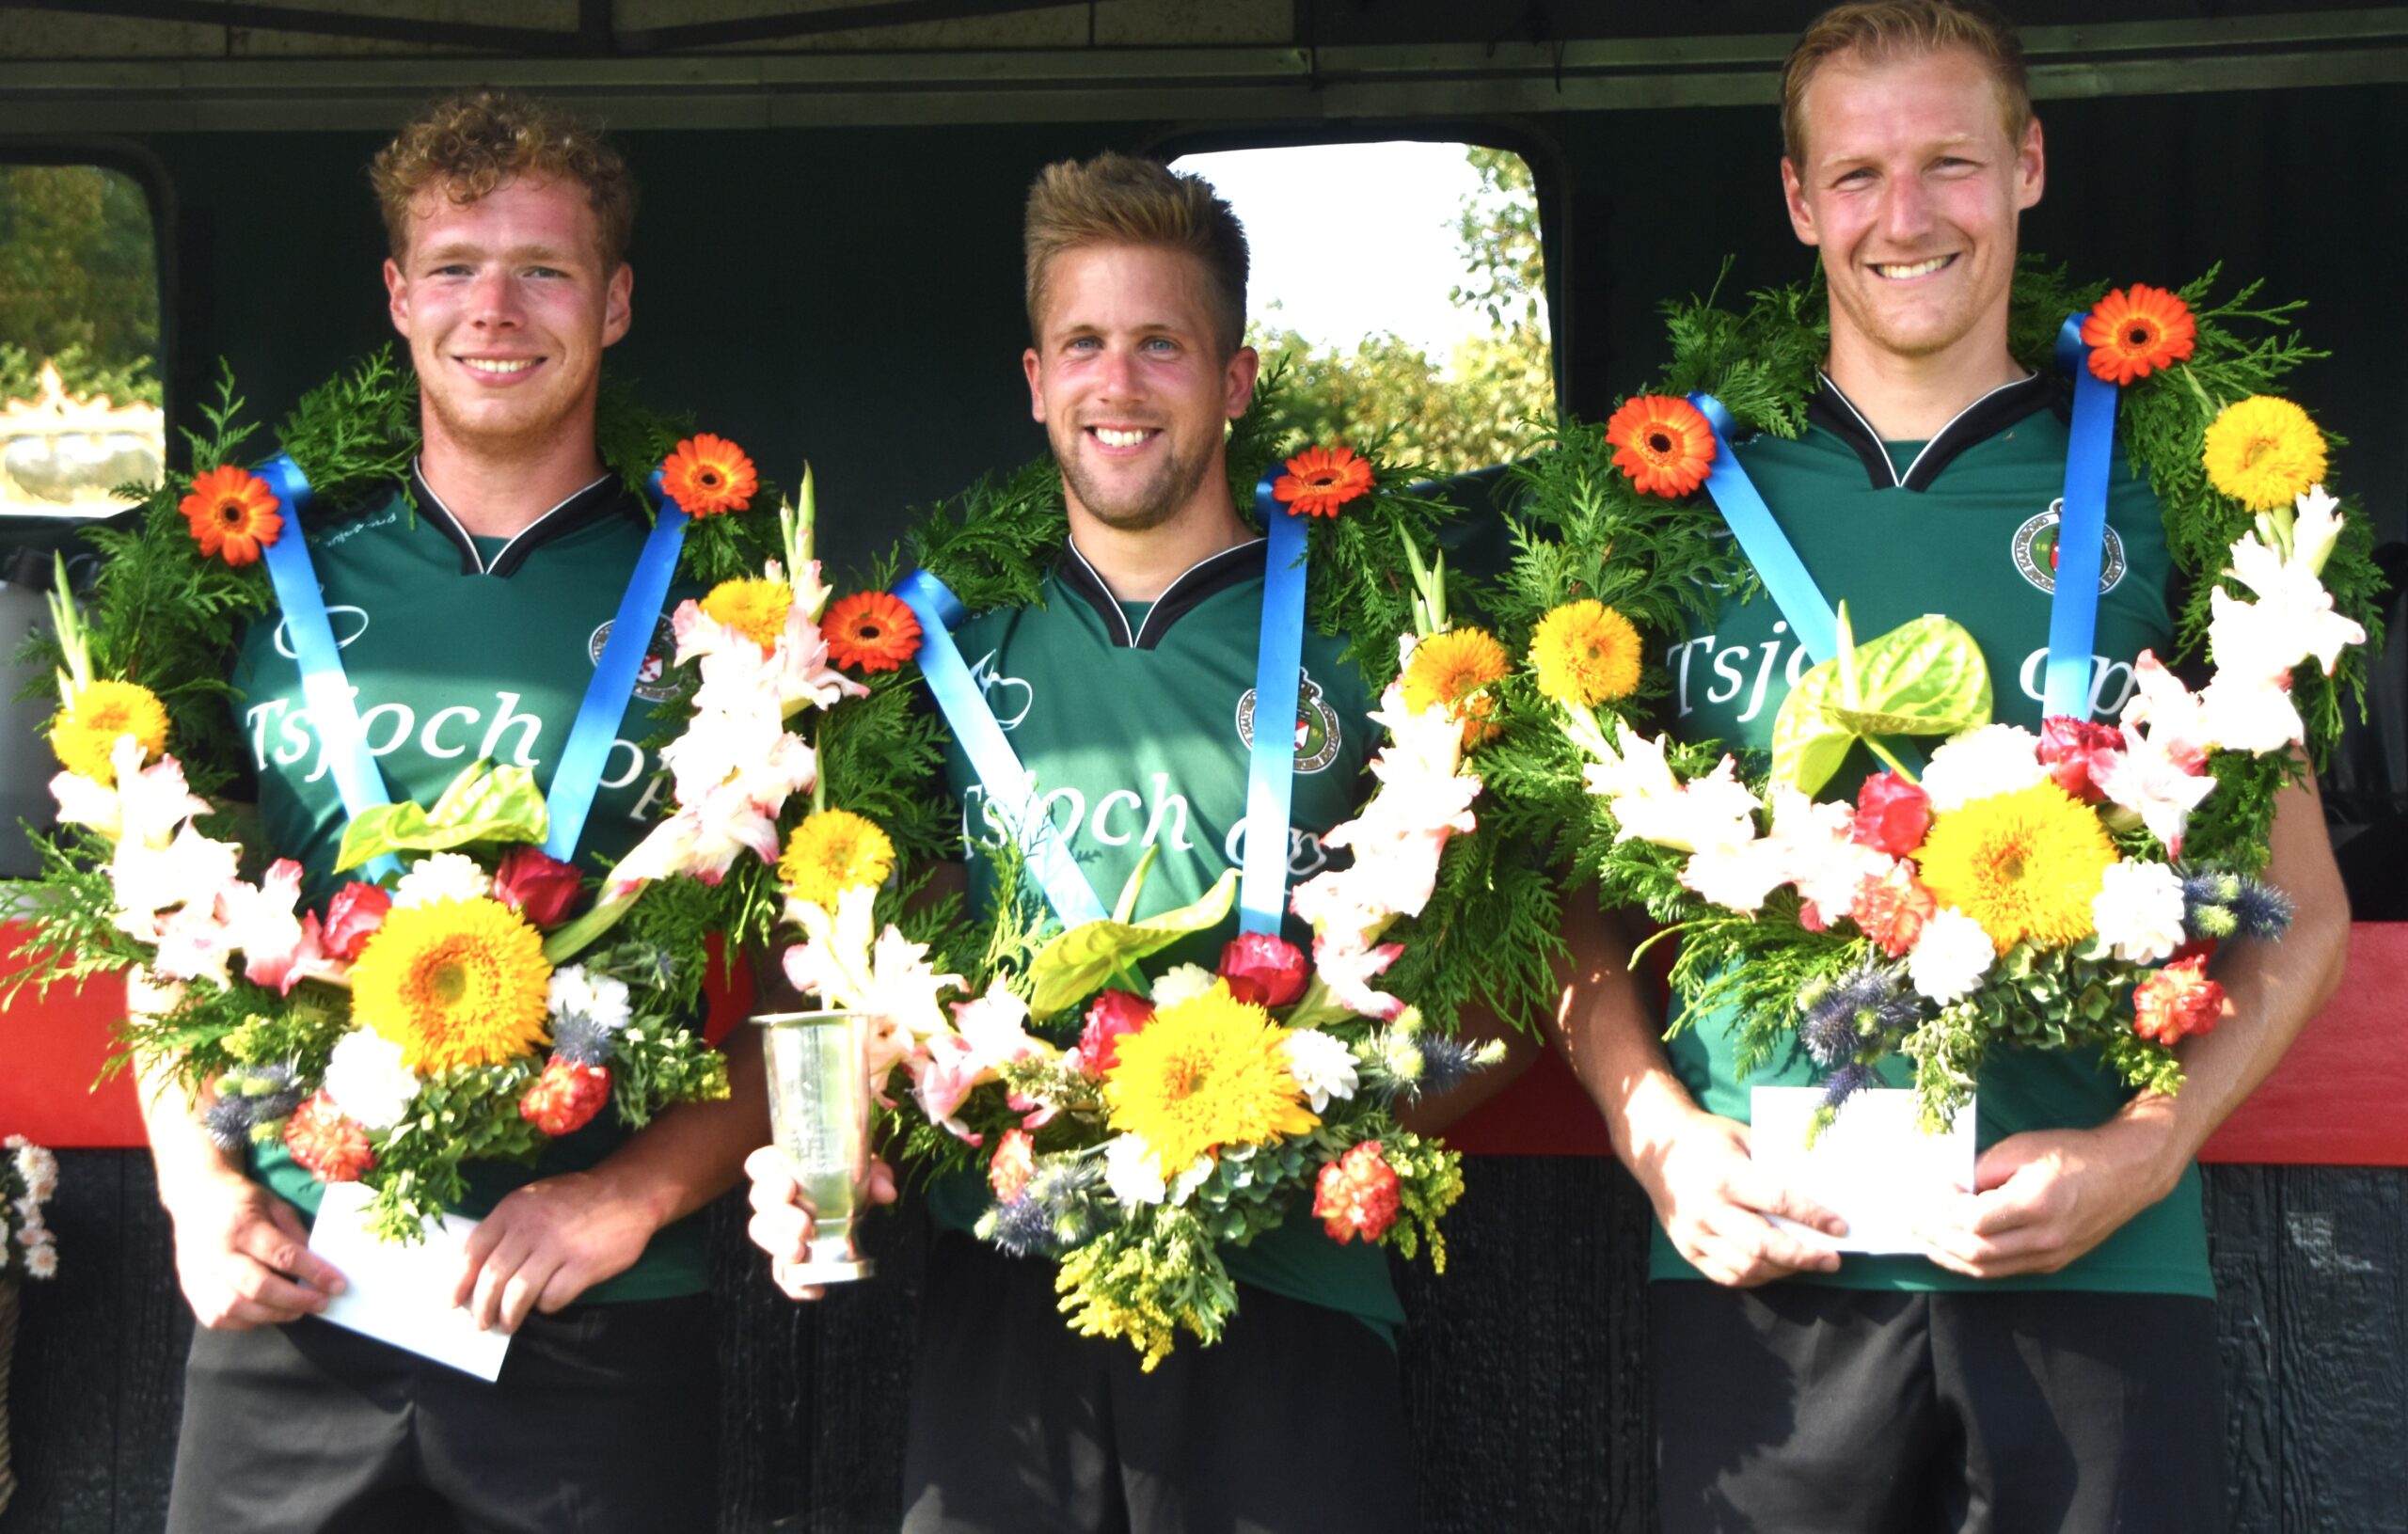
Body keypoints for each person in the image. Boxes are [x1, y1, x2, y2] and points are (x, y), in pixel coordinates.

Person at [1549, 5, 2351, 1531]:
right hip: (1773, 1247)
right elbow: (1570, 896)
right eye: (1855, 174)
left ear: (2029, 167)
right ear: (1798, 201)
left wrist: (2149, 1145)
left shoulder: (2168, 482)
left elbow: (2298, 904)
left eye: (1952, 163)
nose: (1902, 217)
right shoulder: (1670, 497)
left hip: (2092, 1256)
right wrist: (1654, 1129)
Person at [745, 150, 1545, 1533]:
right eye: (1085, 346)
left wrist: (1300, 1130)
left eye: (1162, 345)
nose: (1119, 386)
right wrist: (844, 1135)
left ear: (1235, 381)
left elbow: (1514, 987)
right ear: (1036, 379)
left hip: (1298, 1293)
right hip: (1011, 1288)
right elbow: (834, 964)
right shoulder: (932, 650)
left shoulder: (1378, 641)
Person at [141, 88, 765, 1533]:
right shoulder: (255, 572)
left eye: (544, 269)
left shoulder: (735, 608)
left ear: (612, 304)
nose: (497, 309)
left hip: (597, 1305)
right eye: (455, 267)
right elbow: (153, 914)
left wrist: (629, 1198)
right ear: (395, 297)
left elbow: (818, 988)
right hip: (294, 1280)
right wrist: (198, 1193)